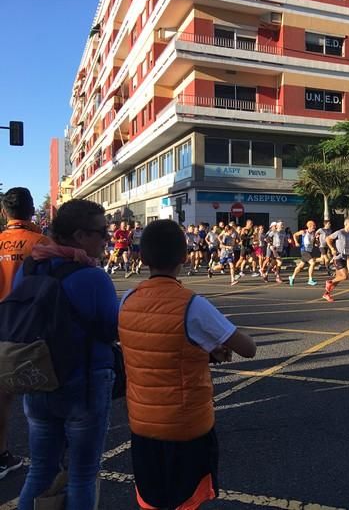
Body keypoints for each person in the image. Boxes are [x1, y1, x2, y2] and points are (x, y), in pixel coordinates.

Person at [119, 219, 256, 510]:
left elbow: (152, 347)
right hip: (185, 426)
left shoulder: (127, 299)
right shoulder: (193, 304)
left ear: (141, 258)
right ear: (184, 257)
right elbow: (248, 349)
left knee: (152, 498)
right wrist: (211, 349)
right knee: (184, 499)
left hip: (142, 423)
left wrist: (201, 352)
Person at [16, 199, 118, 510]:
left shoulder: (30, 267)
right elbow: (112, 329)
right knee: (83, 475)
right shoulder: (93, 277)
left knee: (40, 469)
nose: (107, 239)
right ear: (79, 236)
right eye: (101, 232)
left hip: (37, 377)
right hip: (82, 382)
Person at [0, 188, 51, 480]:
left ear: (4, 213)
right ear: (32, 212)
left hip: (1, 324)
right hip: (31, 326)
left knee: (1, 395)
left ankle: (1, 454)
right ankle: (46, 458)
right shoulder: (41, 242)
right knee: (38, 393)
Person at [323, 218, 349, 302]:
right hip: (338, 257)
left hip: (345, 257)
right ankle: (329, 281)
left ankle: (326, 294)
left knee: (338, 280)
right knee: (345, 276)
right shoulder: (340, 232)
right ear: (346, 224)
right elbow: (328, 239)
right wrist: (332, 248)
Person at [290, 220, 318, 286]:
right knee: (312, 263)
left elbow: (315, 243)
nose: (315, 227)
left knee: (300, 266)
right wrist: (296, 242)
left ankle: (292, 277)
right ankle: (310, 280)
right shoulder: (304, 232)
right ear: (310, 226)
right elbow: (295, 235)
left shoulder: (314, 233)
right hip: (304, 250)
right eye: (314, 226)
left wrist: (317, 241)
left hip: (309, 251)